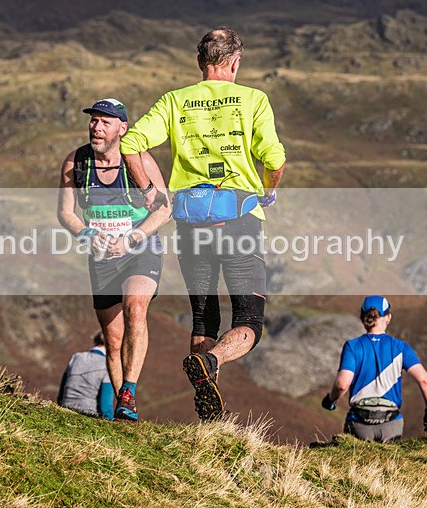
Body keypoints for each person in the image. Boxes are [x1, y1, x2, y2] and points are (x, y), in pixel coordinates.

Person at [119, 26, 286, 420]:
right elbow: (275, 161)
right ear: (235, 62)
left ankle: (206, 411)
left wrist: (151, 192)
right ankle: (211, 363)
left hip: (191, 226)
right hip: (239, 223)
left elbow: (130, 144)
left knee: (204, 316)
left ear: (199, 62)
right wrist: (266, 190)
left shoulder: (175, 101)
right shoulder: (253, 100)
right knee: (248, 321)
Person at [57, 98, 170, 422]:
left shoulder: (140, 161)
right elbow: (65, 212)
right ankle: (122, 412)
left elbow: (164, 209)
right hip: (101, 255)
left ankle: (128, 394)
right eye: (94, 120)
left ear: (122, 128)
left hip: (139, 248)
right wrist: (88, 234)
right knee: (113, 337)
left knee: (136, 306)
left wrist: (133, 237)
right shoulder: (76, 162)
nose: (96, 126)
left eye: (105, 121)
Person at [322, 296, 427, 442]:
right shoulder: (401, 347)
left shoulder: (352, 346)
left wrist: (330, 400)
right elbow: (424, 380)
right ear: (388, 318)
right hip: (392, 424)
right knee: (389, 463)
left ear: (362, 317)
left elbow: (342, 385)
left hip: (359, 424)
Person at [57, 331, 115, 420]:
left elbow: (61, 392)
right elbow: (105, 407)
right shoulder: (107, 365)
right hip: (89, 414)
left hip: (65, 409)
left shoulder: (76, 357)